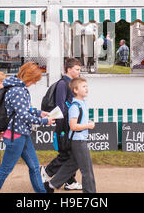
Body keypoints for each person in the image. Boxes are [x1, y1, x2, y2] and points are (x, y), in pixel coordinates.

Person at [0, 62, 55, 193]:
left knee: (34, 167)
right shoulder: (18, 90)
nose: (35, 83)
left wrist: (39, 113)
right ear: (29, 77)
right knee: (5, 170)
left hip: (20, 134)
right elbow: (24, 115)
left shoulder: (15, 87)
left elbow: (23, 110)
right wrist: (44, 121)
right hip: (16, 136)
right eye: (35, 80)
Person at [44, 77, 96, 193]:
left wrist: (87, 123)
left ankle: (50, 185)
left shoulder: (82, 103)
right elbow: (73, 126)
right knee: (87, 170)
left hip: (79, 140)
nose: (86, 88)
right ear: (75, 90)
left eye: (86, 86)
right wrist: (88, 126)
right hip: (78, 141)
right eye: (83, 87)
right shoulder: (75, 106)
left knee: (72, 165)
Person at [40, 58, 83, 190]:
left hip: (69, 124)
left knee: (70, 153)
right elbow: (60, 107)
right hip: (64, 125)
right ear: (68, 69)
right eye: (77, 69)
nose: (79, 72)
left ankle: (69, 181)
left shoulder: (70, 83)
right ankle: (47, 171)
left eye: (79, 70)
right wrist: (67, 124)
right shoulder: (63, 84)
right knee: (67, 154)